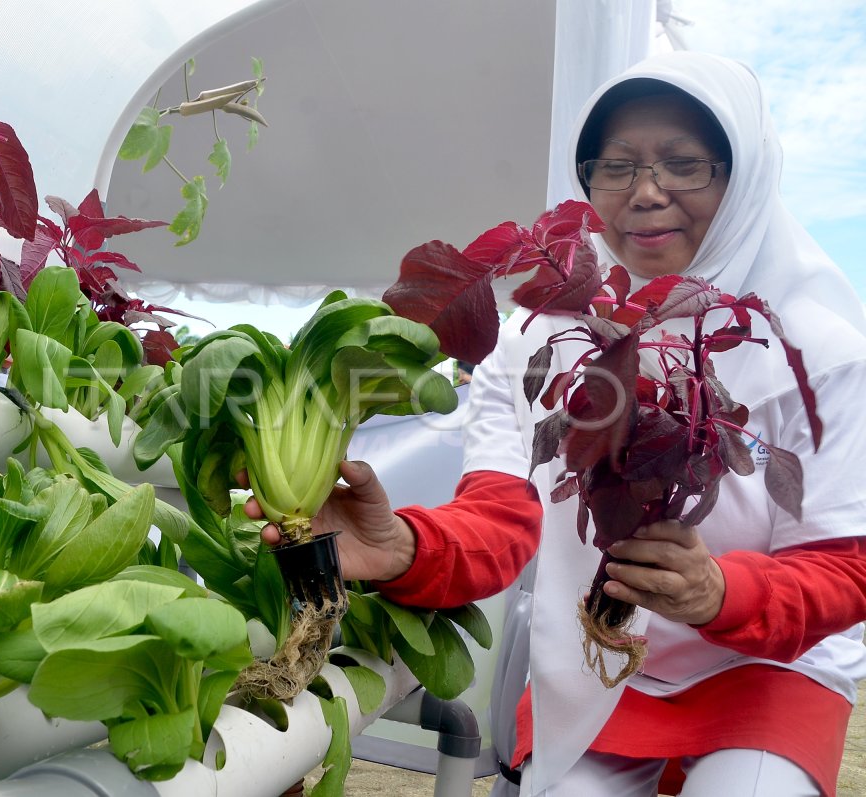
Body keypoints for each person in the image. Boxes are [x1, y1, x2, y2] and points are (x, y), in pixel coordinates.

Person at [251, 51, 866, 796]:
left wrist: (717, 592)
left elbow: (845, 567)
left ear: (745, 177)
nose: (645, 193)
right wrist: (401, 545)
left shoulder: (820, 349)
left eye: (684, 164)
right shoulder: (541, 341)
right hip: (596, 664)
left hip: (765, 671)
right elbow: (503, 520)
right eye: (614, 165)